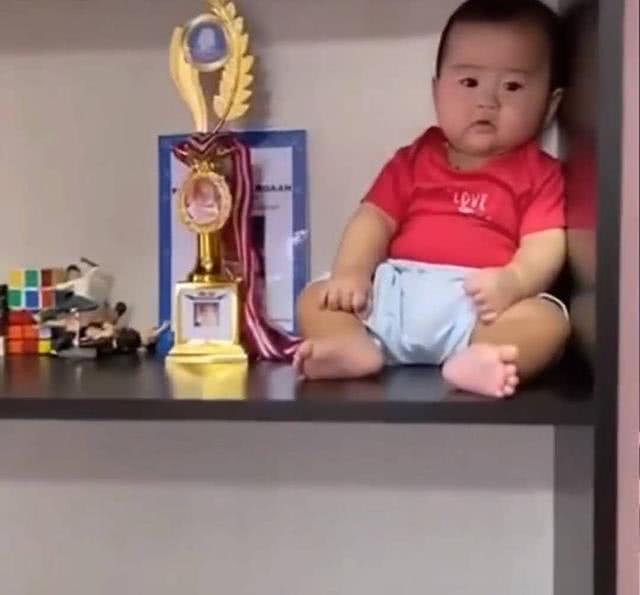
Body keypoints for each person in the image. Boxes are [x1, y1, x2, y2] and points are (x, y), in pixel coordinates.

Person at [295, 0, 570, 398]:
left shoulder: (540, 173)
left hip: (482, 307)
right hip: (396, 295)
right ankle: (349, 347)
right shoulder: (413, 160)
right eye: (469, 82)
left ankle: (481, 359)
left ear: (550, 106)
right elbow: (373, 219)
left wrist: (513, 282)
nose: (487, 101)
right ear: (436, 91)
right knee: (315, 297)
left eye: (512, 86)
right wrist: (351, 273)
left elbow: (544, 244)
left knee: (548, 321)